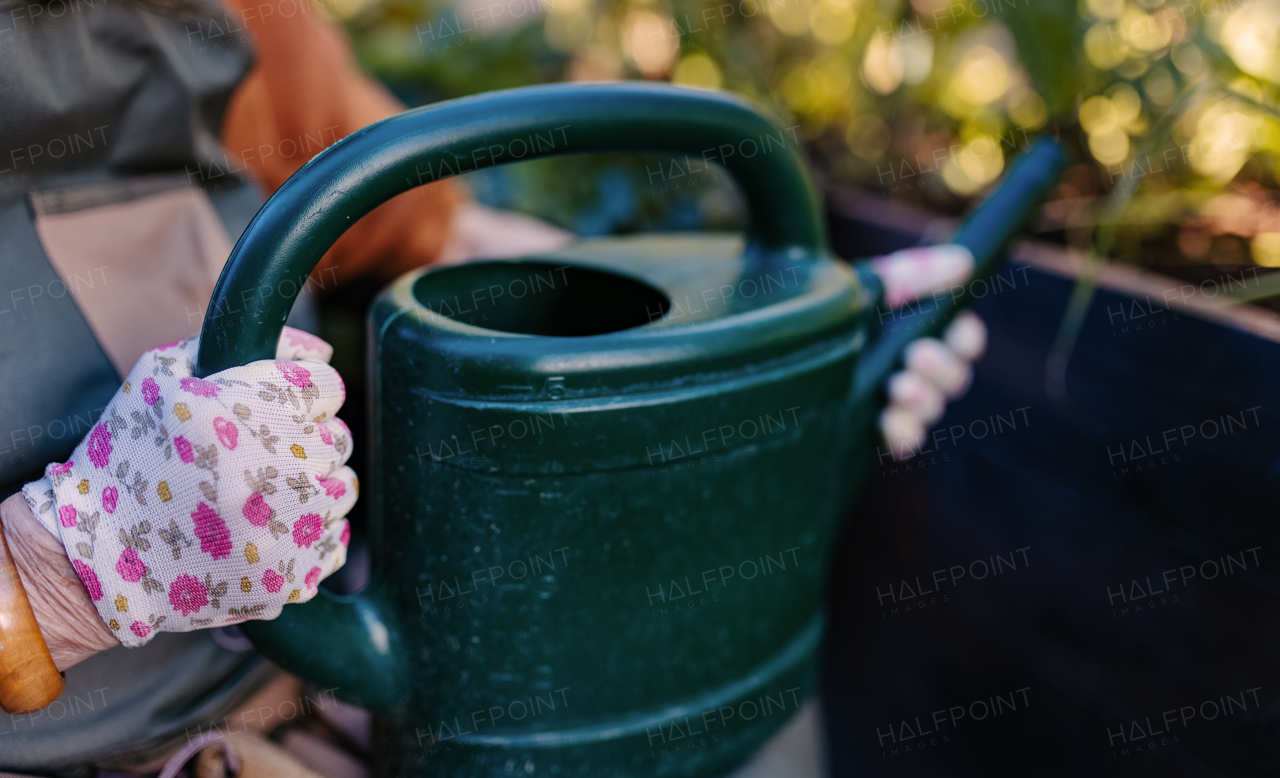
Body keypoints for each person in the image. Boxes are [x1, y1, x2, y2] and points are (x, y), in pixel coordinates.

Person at [0, 0, 985, 771]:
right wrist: (57, 577)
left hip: (308, 701)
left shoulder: (212, 17)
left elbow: (430, 224)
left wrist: (774, 351)